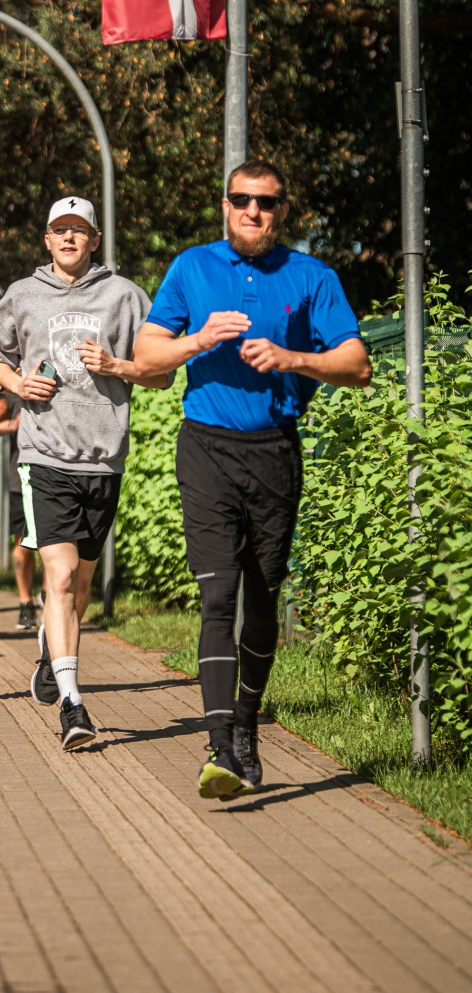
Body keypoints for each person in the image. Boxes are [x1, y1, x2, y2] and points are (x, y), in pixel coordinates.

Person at [132, 159, 371, 798]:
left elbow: (357, 363)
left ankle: (245, 724)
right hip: (205, 447)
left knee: (262, 602)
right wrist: (198, 339)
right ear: (225, 205)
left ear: (282, 210)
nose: (252, 211)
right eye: (241, 200)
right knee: (217, 596)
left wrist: (292, 357)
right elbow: (147, 358)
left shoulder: (311, 275)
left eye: (265, 202)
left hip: (274, 452)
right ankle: (219, 749)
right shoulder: (192, 267)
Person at [0, 197, 167, 750]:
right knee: (59, 578)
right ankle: (72, 704)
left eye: (78, 230)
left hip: (104, 457)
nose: (68, 238)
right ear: (47, 240)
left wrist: (117, 366)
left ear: (94, 239)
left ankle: (51, 648)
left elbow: (160, 374)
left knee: (80, 583)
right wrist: (16, 384)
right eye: (59, 230)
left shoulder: (125, 295)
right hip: (44, 455)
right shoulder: (23, 294)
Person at [0, 393, 38, 631]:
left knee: (55, 545)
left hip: (57, 477)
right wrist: (13, 425)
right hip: (20, 480)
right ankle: (25, 602)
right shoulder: (13, 390)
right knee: (23, 545)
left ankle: (49, 598)